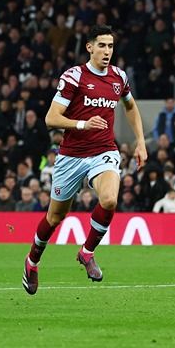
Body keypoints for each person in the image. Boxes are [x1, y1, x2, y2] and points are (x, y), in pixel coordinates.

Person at [22, 25, 147, 295]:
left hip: (103, 152)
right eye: (101, 45)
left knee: (110, 200)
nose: (107, 51)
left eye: (111, 46)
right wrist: (82, 124)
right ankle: (32, 261)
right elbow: (51, 118)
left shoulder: (119, 78)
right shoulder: (74, 77)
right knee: (55, 217)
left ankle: (87, 251)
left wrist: (140, 142)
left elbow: (131, 107)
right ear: (89, 47)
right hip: (71, 156)